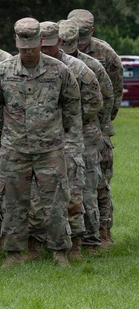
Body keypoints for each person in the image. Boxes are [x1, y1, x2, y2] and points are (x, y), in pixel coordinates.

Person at [0, 18, 81, 267]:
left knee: (56, 202)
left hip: (50, 149)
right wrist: (10, 131)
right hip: (14, 148)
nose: (28, 51)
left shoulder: (59, 71)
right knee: (12, 202)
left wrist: (57, 132)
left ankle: (59, 252)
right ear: (16, 42)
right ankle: (14, 253)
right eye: (22, 46)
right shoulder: (2, 71)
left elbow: (71, 104)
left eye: (32, 46)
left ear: (40, 42)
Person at [39, 21, 100, 261]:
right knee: (41, 195)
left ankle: (77, 243)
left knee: (74, 193)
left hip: (70, 140)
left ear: (60, 42)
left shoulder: (79, 68)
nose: (43, 50)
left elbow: (96, 101)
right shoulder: (27, 66)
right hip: (41, 141)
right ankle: (44, 243)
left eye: (49, 46)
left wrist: (72, 123)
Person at [68, 8, 123, 245]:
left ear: (91, 31)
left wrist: (100, 125)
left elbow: (114, 94)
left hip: (96, 127)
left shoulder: (105, 55)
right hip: (70, 129)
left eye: (83, 34)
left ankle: (103, 230)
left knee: (99, 181)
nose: (78, 40)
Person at [59, 19, 114, 253]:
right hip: (55, 134)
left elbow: (107, 99)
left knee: (89, 186)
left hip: (87, 133)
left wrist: (95, 127)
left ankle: (92, 238)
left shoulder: (90, 66)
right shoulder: (52, 64)